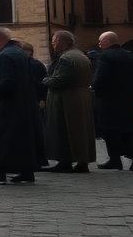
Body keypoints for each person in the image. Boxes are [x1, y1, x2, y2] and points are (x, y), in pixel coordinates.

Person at [0, 28, 46, 184]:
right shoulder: (19, 53)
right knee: (22, 139)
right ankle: (26, 172)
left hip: (9, 106)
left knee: (2, 138)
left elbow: (8, 81)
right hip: (23, 104)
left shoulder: (5, 56)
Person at [40, 31, 95, 173]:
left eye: (54, 41)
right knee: (81, 132)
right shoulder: (81, 56)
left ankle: (65, 161)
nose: (52, 44)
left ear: (63, 42)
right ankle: (82, 162)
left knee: (64, 130)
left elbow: (58, 80)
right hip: (82, 98)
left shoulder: (66, 58)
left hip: (67, 100)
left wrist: (45, 80)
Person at [93, 31, 133, 171]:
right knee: (129, 130)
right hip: (129, 100)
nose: (99, 45)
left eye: (100, 42)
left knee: (110, 130)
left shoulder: (105, 56)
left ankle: (115, 159)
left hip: (108, 100)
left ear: (106, 42)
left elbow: (101, 76)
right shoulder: (129, 55)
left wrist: (94, 89)